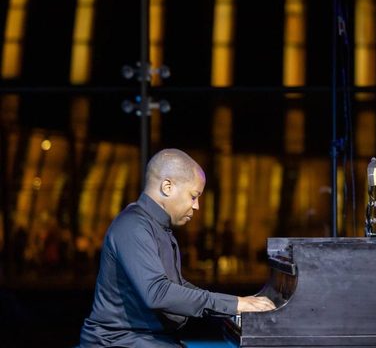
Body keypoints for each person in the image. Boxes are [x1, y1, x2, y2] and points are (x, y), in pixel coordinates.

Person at [80, 148, 275, 347]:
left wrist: (234, 302)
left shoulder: (156, 227)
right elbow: (157, 293)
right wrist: (235, 304)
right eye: (193, 196)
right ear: (167, 187)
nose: (197, 205)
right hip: (118, 342)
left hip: (143, 339)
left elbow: (177, 286)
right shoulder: (133, 226)